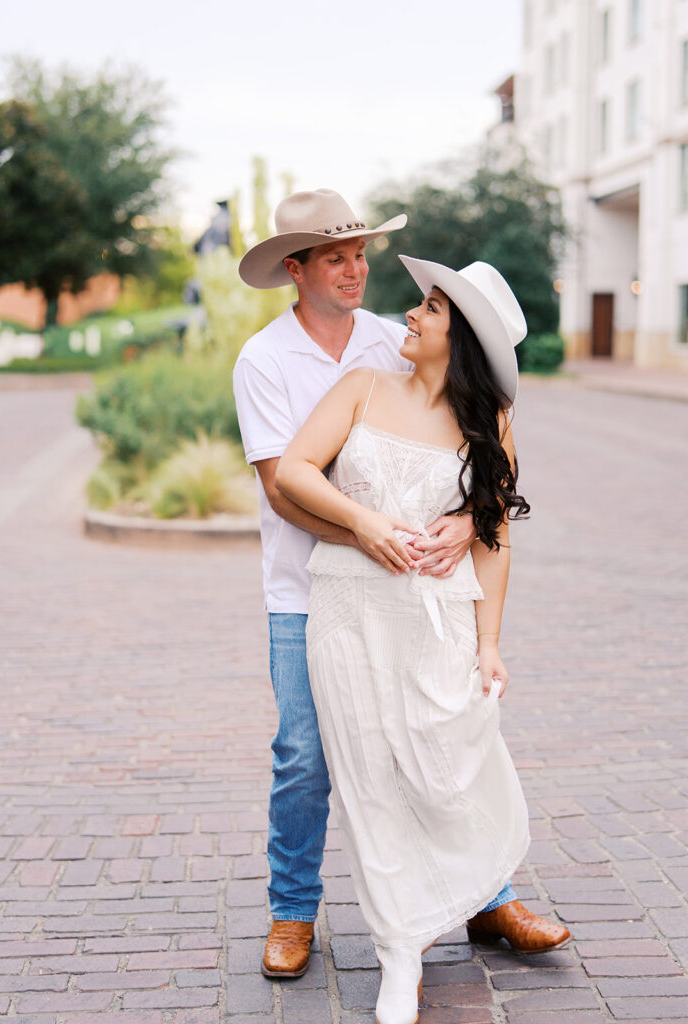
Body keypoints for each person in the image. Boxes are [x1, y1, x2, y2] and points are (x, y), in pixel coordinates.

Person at [275, 255, 571, 1024]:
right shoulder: (363, 388)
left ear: (462, 338)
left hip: (435, 620)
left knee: (445, 771)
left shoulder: (489, 424)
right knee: (369, 783)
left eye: (431, 308)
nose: (410, 314)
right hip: (346, 612)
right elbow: (296, 472)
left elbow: (495, 534)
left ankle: (473, 896)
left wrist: (490, 643)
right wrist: (363, 522)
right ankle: (397, 956)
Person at [233, 190, 481, 979]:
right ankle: (292, 913)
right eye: (334, 257)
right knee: (304, 756)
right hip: (303, 592)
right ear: (294, 270)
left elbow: (471, 442)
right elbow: (281, 488)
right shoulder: (264, 360)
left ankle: (487, 894)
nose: (354, 270)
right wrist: (368, 538)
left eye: (360, 253)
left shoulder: (393, 342)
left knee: (433, 737)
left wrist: (473, 521)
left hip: (402, 588)